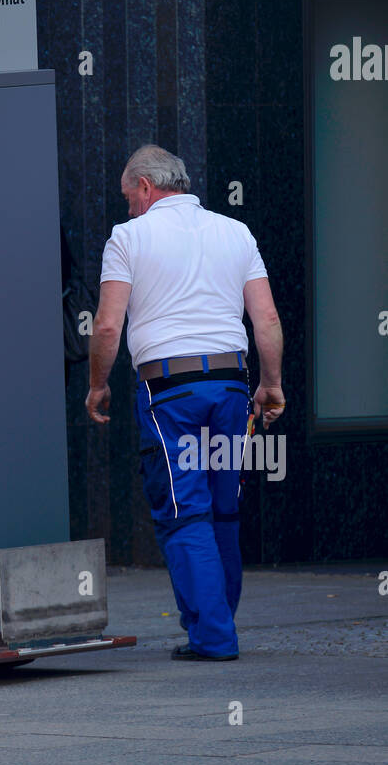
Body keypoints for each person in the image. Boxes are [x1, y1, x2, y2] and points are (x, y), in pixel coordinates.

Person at [86, 145, 284, 660]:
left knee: (183, 513)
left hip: (168, 393)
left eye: (129, 197)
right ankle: (211, 622)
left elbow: (107, 324)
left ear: (146, 187)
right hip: (230, 388)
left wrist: (98, 383)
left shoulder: (128, 237)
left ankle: (214, 637)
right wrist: (271, 384)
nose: (127, 208)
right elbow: (265, 320)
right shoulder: (235, 231)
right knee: (223, 511)